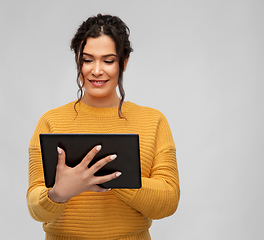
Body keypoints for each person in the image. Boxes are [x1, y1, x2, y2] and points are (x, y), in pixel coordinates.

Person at [27, 13, 180, 240]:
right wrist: (58, 193)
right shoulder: (51, 121)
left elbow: (168, 201)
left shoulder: (153, 121)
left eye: (108, 60)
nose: (96, 70)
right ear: (78, 61)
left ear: (124, 62)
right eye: (87, 60)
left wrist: (111, 176)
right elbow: (35, 206)